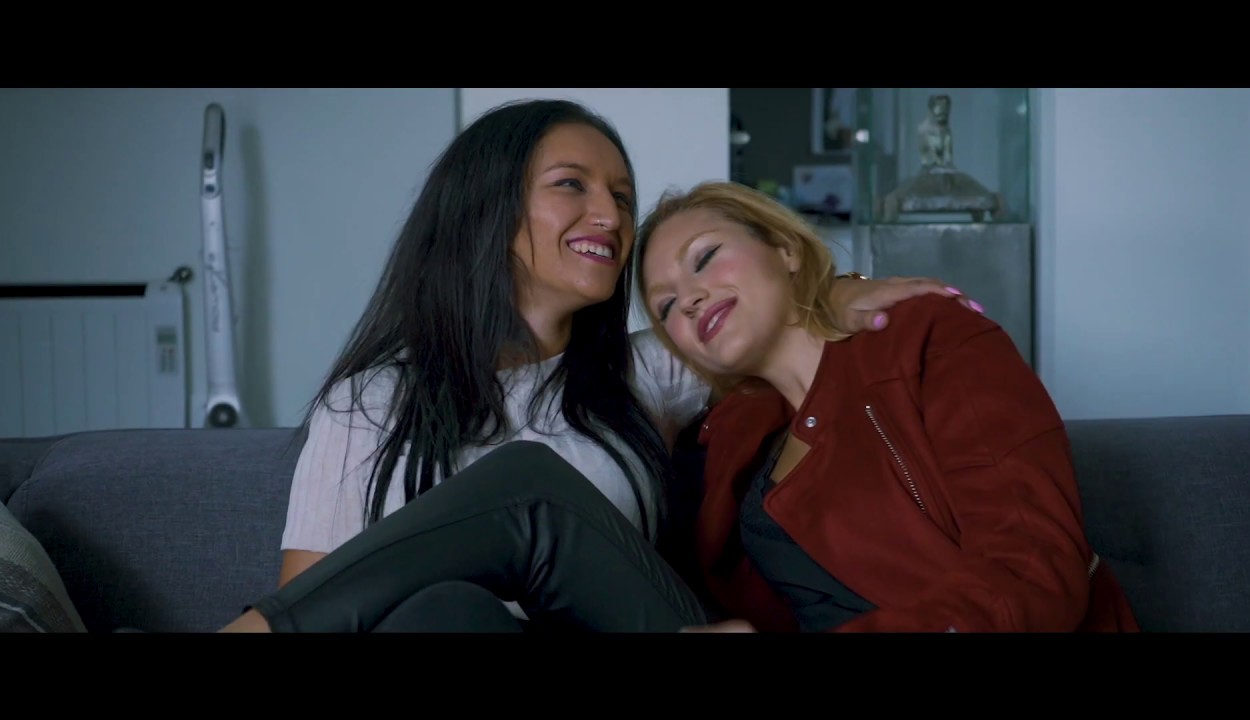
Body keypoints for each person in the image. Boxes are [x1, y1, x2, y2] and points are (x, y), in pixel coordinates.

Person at [219, 99, 978, 633]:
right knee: (445, 611)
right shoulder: (370, 404)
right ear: (488, 207)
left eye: (621, 195)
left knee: (526, 488)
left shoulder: (653, 372)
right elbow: (320, 600)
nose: (612, 217)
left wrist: (842, 290)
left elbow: (770, 316)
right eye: (571, 186)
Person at [635, 180, 1141, 633]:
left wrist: (836, 287)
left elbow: (1033, 569)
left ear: (785, 249)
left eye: (705, 257)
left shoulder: (929, 339)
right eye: (666, 306)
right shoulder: (733, 438)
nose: (690, 299)